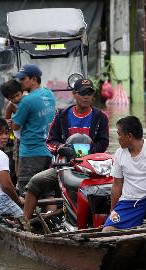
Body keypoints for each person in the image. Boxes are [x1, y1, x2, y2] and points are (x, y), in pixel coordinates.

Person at [22, 78, 109, 220]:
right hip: (64, 166)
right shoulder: (62, 115)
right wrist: (61, 148)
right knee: (35, 182)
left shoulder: (100, 117)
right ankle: (25, 221)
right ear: (74, 94)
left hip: (91, 168)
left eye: (90, 93)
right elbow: (50, 141)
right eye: (82, 93)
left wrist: (85, 154)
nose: (86, 96)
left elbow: (103, 143)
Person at [11, 64, 56, 194]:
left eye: (23, 79)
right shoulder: (49, 93)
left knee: (26, 191)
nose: (20, 83)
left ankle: (27, 215)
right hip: (49, 152)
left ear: (34, 79)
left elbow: (15, 125)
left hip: (31, 152)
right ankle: (51, 214)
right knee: (48, 192)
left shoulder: (27, 101)